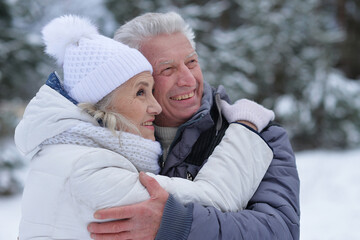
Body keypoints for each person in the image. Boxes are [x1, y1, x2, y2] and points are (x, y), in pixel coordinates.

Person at [15, 15, 275, 239]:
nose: (156, 107)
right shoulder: (90, 170)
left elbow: (279, 228)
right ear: (102, 104)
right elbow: (216, 197)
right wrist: (245, 126)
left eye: (192, 62)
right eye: (140, 92)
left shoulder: (66, 155)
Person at [87, 12, 300, 240]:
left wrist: (179, 223)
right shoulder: (102, 139)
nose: (188, 79)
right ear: (136, 79)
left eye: (191, 62)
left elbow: (280, 231)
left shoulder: (262, 136)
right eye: (167, 69)